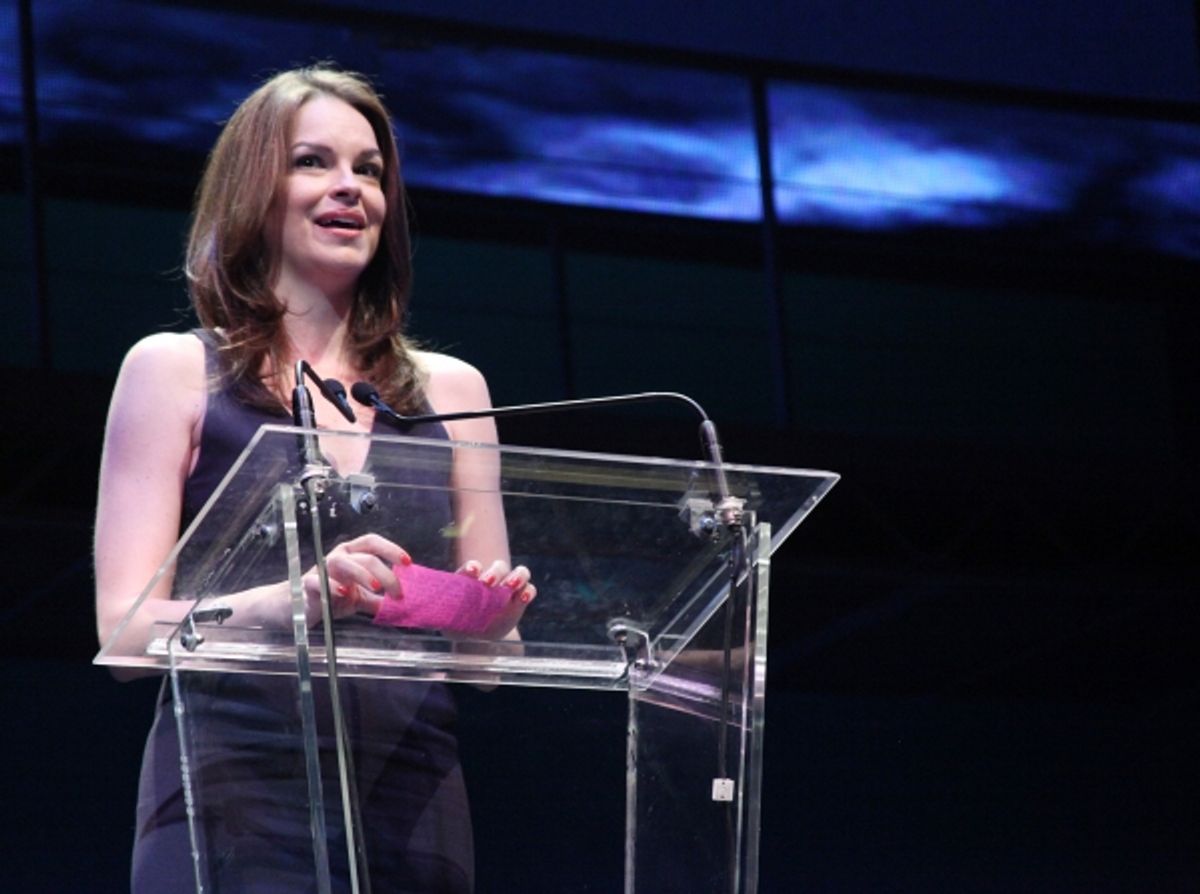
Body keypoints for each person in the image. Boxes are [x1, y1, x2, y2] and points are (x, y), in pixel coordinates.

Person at [94, 65, 535, 893]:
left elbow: (488, 663)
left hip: (414, 801)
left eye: (369, 170)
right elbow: (123, 636)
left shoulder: (452, 391)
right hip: (233, 794)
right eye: (314, 162)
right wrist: (289, 603)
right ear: (254, 188)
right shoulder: (173, 372)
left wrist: (488, 616)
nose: (350, 189)